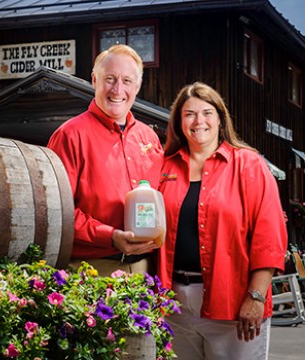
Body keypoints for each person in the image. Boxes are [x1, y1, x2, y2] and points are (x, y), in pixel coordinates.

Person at [157, 82, 287, 359]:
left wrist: (256, 297)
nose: (198, 121)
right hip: (173, 302)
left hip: (232, 300)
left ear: (220, 118)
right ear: (179, 122)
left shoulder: (248, 164)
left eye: (206, 112)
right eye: (189, 114)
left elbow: (270, 238)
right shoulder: (164, 167)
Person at [47, 44, 163, 276]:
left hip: (145, 269)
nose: (118, 89)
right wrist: (109, 236)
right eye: (110, 78)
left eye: (127, 81)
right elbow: (58, 211)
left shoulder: (149, 137)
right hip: (92, 269)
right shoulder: (70, 135)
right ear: (94, 80)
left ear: (138, 86)